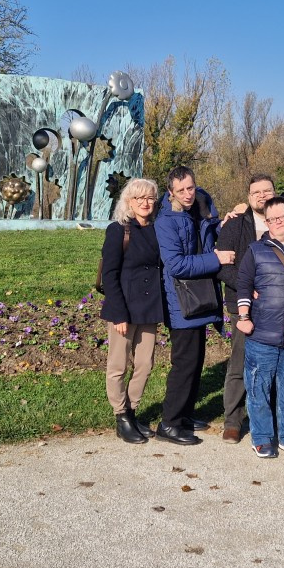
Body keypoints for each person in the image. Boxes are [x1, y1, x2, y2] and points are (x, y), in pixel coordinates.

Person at [155, 166, 234, 445]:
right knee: (184, 365)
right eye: (181, 190)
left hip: (198, 297)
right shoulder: (166, 222)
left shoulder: (199, 209)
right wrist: (217, 259)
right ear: (170, 192)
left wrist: (224, 224)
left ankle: (185, 415)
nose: (188, 194)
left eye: (190, 187)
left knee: (196, 361)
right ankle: (169, 423)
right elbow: (176, 265)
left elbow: (207, 238)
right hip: (182, 300)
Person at [234, 197, 284, 458]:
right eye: (272, 219)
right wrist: (244, 316)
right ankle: (262, 438)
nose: (278, 222)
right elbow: (244, 284)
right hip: (261, 335)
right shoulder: (256, 250)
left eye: (283, 217)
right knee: (258, 390)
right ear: (267, 223)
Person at [99, 178, 163, 444]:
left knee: (145, 364)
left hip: (149, 307)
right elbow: (110, 274)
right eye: (139, 198)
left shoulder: (157, 229)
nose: (145, 203)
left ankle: (132, 411)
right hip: (124, 308)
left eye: (150, 198)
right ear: (128, 201)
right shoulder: (118, 230)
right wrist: (118, 313)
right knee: (118, 365)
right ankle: (121, 416)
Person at [214, 174, 276, 444]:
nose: (262, 196)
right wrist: (246, 289)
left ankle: (269, 417)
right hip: (242, 305)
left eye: (267, 191)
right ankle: (233, 420)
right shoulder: (235, 225)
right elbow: (222, 267)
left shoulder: (283, 222)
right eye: (256, 192)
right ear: (249, 197)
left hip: (276, 305)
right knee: (239, 361)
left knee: (273, 363)